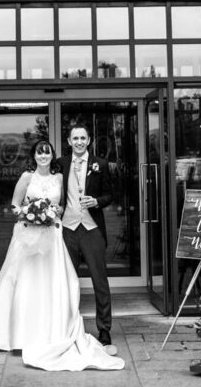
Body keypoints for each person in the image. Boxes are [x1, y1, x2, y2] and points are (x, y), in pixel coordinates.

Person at [0, 139, 124, 371]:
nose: (43, 156)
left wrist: (51, 213)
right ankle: (16, 333)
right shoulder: (26, 177)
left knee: (51, 282)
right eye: (39, 153)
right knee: (25, 282)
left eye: (47, 153)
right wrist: (28, 214)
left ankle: (55, 329)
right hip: (27, 236)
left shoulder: (60, 177)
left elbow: (62, 205)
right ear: (33, 155)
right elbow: (14, 204)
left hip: (52, 235)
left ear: (52, 155)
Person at [58, 124, 116, 353]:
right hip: (67, 229)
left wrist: (97, 202)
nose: (80, 141)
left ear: (89, 140)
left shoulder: (100, 164)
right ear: (70, 141)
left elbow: (110, 195)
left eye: (83, 137)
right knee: (67, 281)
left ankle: (104, 328)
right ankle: (68, 327)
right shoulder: (60, 164)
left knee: (99, 280)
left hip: (91, 229)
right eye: (76, 138)